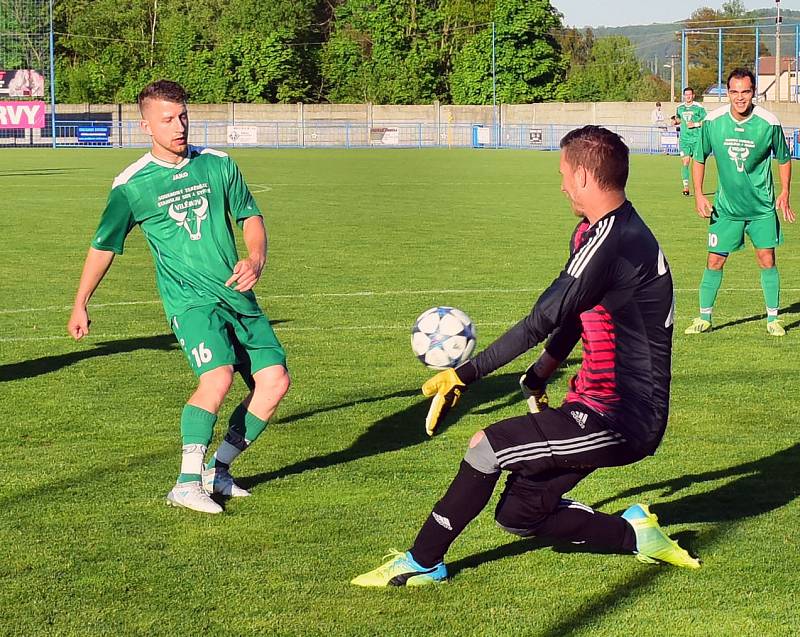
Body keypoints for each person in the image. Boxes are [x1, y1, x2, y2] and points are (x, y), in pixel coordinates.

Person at [352, 126, 699, 587]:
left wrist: (465, 374)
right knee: (520, 514)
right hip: (592, 403)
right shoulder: (598, 232)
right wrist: (538, 377)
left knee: (486, 446)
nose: (559, 185)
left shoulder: (612, 241)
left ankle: (422, 562)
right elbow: (576, 317)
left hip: (622, 420)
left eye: (562, 173)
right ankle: (633, 533)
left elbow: (542, 319)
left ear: (582, 176)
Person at [67, 80, 290, 514]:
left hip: (236, 295)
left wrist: (256, 258)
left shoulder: (218, 164)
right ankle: (186, 483)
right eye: (167, 119)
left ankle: (218, 470)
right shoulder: (132, 185)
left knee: (275, 381)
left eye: (183, 115)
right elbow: (104, 245)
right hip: (189, 301)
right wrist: (81, 301)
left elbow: (249, 215)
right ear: (145, 124)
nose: (179, 125)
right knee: (218, 376)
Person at [684, 68, 794, 337]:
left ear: (753, 92)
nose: (740, 97)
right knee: (714, 261)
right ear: (728, 92)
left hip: (761, 208)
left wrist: (785, 192)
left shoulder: (769, 122)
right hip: (726, 209)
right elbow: (699, 157)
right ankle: (704, 317)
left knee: (766, 259)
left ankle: (773, 318)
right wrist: (698, 194)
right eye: (734, 91)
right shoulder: (713, 121)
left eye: (745, 91)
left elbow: (783, 158)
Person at [676, 87, 706, 196]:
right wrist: (675, 121)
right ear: (684, 96)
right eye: (686, 95)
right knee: (685, 162)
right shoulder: (680, 108)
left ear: (693, 95)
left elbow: (706, 121)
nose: (688, 96)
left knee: (697, 164)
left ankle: (698, 189)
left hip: (696, 140)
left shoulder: (698, 108)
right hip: (684, 140)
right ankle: (686, 187)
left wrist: (695, 124)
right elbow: (678, 118)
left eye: (690, 94)